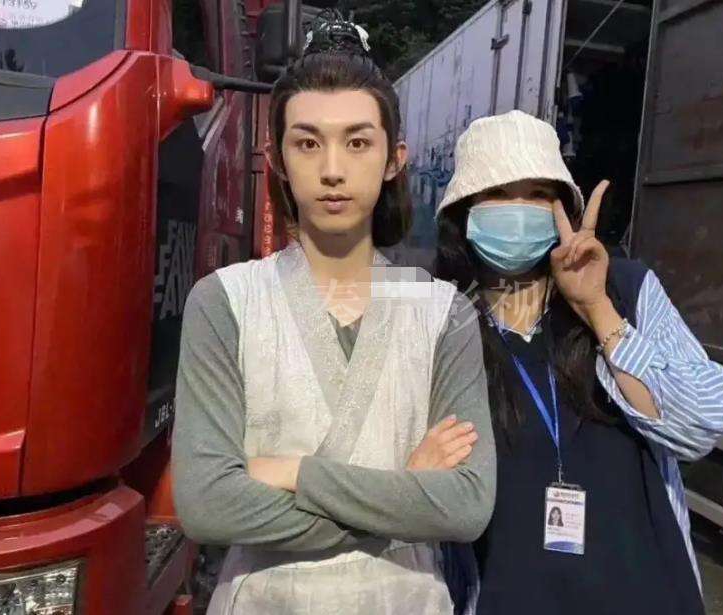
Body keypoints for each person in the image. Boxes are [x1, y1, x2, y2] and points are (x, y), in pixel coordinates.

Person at [171, 14, 495, 614]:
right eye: (307, 142)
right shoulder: (226, 302)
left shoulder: (443, 314)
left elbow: (465, 506)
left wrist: (297, 472)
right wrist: (405, 490)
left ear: (395, 158)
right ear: (276, 157)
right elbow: (206, 504)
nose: (332, 170)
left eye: (358, 142)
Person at [435, 110, 723, 615]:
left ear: (563, 208)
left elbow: (698, 425)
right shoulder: (445, 323)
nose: (518, 210)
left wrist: (596, 308)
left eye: (537, 194)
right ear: (464, 213)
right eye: (498, 193)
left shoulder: (626, 289)